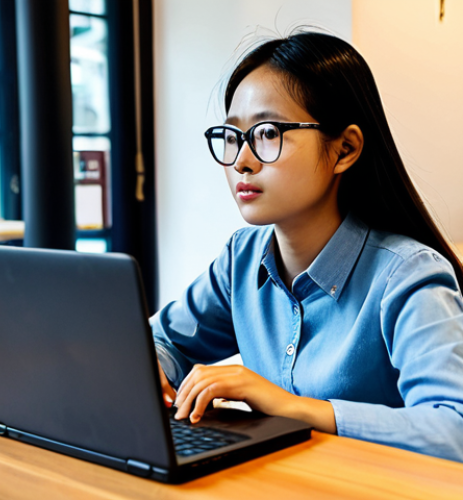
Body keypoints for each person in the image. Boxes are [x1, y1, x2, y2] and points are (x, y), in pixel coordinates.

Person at [150, 29, 463, 462]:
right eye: (233, 135)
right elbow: (164, 340)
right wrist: (154, 369)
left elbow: (454, 429)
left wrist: (292, 407)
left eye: (267, 133)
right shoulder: (242, 259)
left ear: (345, 149)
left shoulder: (408, 275)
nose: (241, 159)